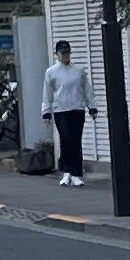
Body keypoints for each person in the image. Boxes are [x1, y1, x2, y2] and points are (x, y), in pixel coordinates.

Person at [41, 42, 89, 182]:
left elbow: (87, 89)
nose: (66, 56)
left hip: (77, 108)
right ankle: (69, 171)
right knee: (66, 139)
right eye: (63, 53)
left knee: (76, 140)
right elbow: (47, 93)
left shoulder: (79, 70)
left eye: (68, 53)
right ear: (57, 54)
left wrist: (91, 106)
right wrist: (46, 111)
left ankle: (73, 172)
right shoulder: (51, 72)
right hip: (61, 110)